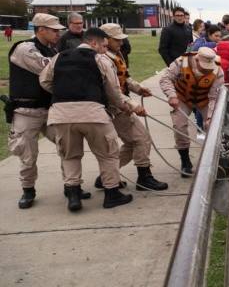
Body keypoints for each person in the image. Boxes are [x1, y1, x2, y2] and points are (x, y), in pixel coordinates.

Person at [40, 27, 134, 211]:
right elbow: (113, 92)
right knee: (108, 154)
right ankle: (111, 193)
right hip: (93, 114)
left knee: (70, 155)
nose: (105, 50)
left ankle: (74, 196)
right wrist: (121, 105)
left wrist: (64, 93)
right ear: (94, 43)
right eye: (104, 46)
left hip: (61, 114)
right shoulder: (100, 60)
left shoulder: (59, 57)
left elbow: (44, 81)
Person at [6, 13, 79, 208]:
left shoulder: (51, 50)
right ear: (40, 30)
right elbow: (47, 70)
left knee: (67, 146)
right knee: (28, 155)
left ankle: (71, 187)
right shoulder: (24, 48)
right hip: (26, 111)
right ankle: (28, 190)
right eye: (54, 30)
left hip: (50, 110)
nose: (58, 34)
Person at [97, 23, 168, 192]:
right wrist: (133, 105)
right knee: (142, 139)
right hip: (115, 108)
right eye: (117, 40)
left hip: (120, 105)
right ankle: (144, 178)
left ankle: (106, 176)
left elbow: (124, 78)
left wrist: (138, 88)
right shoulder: (102, 59)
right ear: (105, 40)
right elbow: (110, 89)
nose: (121, 43)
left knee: (131, 144)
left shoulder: (115, 55)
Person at [159, 47, 224, 177]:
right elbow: (165, 78)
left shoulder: (218, 71)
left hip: (204, 100)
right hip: (182, 98)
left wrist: (210, 117)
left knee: (214, 126)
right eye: (204, 66)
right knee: (179, 127)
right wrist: (172, 95)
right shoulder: (181, 62)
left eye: (209, 66)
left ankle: (215, 159)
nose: (207, 69)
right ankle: (185, 160)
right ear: (196, 59)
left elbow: (214, 97)